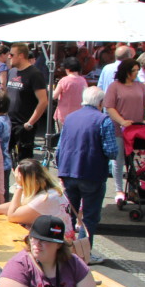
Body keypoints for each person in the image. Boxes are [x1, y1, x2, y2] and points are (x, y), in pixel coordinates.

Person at [56, 87, 118, 261]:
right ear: (100, 103)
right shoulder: (104, 120)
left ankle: (64, 251)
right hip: (92, 172)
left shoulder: (70, 118)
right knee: (89, 217)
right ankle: (83, 254)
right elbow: (112, 151)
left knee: (68, 215)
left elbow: (60, 147)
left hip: (68, 171)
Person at [103, 58, 145, 203]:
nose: (136, 73)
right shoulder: (114, 86)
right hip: (119, 128)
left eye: (137, 70)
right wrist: (122, 121)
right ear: (126, 71)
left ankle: (134, 188)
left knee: (137, 158)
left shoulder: (140, 86)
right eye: (133, 71)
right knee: (119, 160)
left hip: (137, 128)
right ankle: (119, 189)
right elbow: (109, 107)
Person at [0, 158, 70, 228]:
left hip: (56, 241)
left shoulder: (46, 197)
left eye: (17, 178)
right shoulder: (45, 190)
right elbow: (18, 204)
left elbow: (12, 216)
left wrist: (19, 186)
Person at [5, 43, 49, 162]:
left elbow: (43, 101)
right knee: (6, 158)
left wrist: (30, 123)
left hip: (24, 125)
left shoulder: (34, 74)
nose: (9, 57)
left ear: (21, 55)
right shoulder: (12, 71)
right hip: (9, 123)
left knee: (24, 162)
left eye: (11, 54)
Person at [53, 57, 88, 128]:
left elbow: (54, 96)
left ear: (67, 69)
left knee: (61, 137)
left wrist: (50, 89)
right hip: (79, 115)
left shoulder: (64, 80)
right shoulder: (83, 80)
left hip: (64, 115)